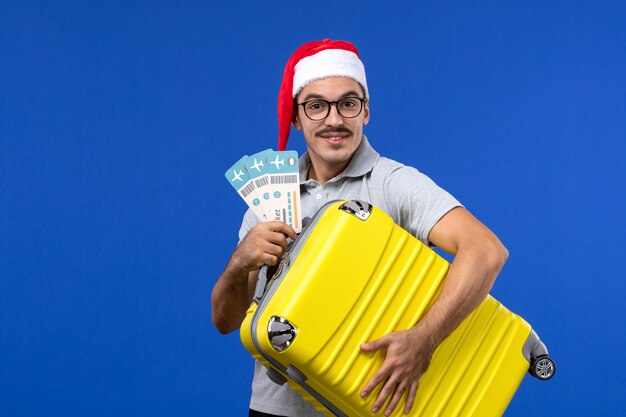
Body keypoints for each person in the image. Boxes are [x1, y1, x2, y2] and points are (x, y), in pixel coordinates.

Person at [211, 39, 509, 417]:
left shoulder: (394, 184)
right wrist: (239, 263)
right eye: (316, 106)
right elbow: (225, 321)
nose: (334, 120)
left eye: (348, 103)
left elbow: (486, 251)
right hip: (274, 410)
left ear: (365, 111)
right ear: (296, 117)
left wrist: (424, 340)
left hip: (365, 405)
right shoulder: (270, 199)